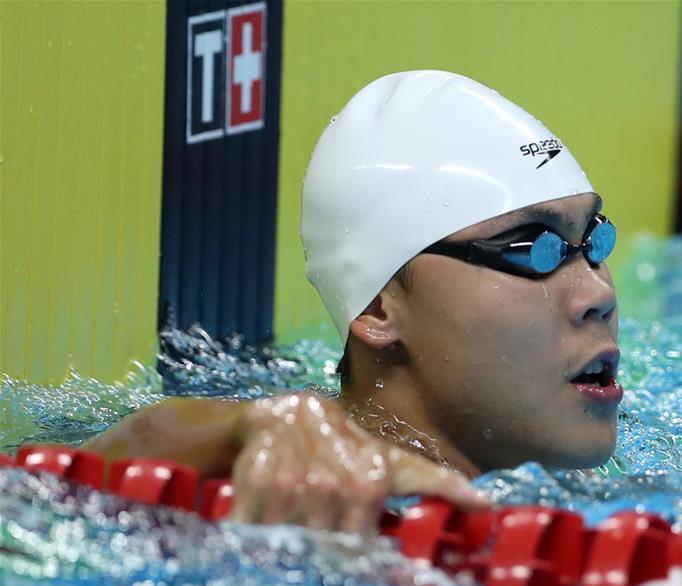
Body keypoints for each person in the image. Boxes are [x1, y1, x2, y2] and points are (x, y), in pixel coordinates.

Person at [86, 70, 621, 534]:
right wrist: (241, 430)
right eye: (532, 251)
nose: (598, 294)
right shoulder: (262, 491)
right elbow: (40, 479)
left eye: (594, 240)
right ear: (377, 308)